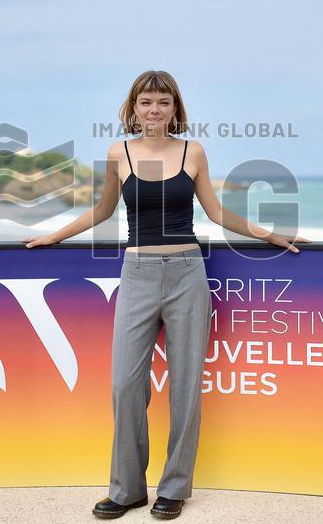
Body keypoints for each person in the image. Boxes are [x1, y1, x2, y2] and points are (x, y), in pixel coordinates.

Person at [21, 70, 308, 520]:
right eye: (145, 102)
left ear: (175, 108)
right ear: (132, 108)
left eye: (163, 102)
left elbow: (215, 212)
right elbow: (101, 211)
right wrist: (53, 236)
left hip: (187, 274)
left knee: (186, 388)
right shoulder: (119, 152)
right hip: (136, 274)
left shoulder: (194, 151)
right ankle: (127, 489)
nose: (154, 110)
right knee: (125, 385)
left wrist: (270, 234)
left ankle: (174, 488)